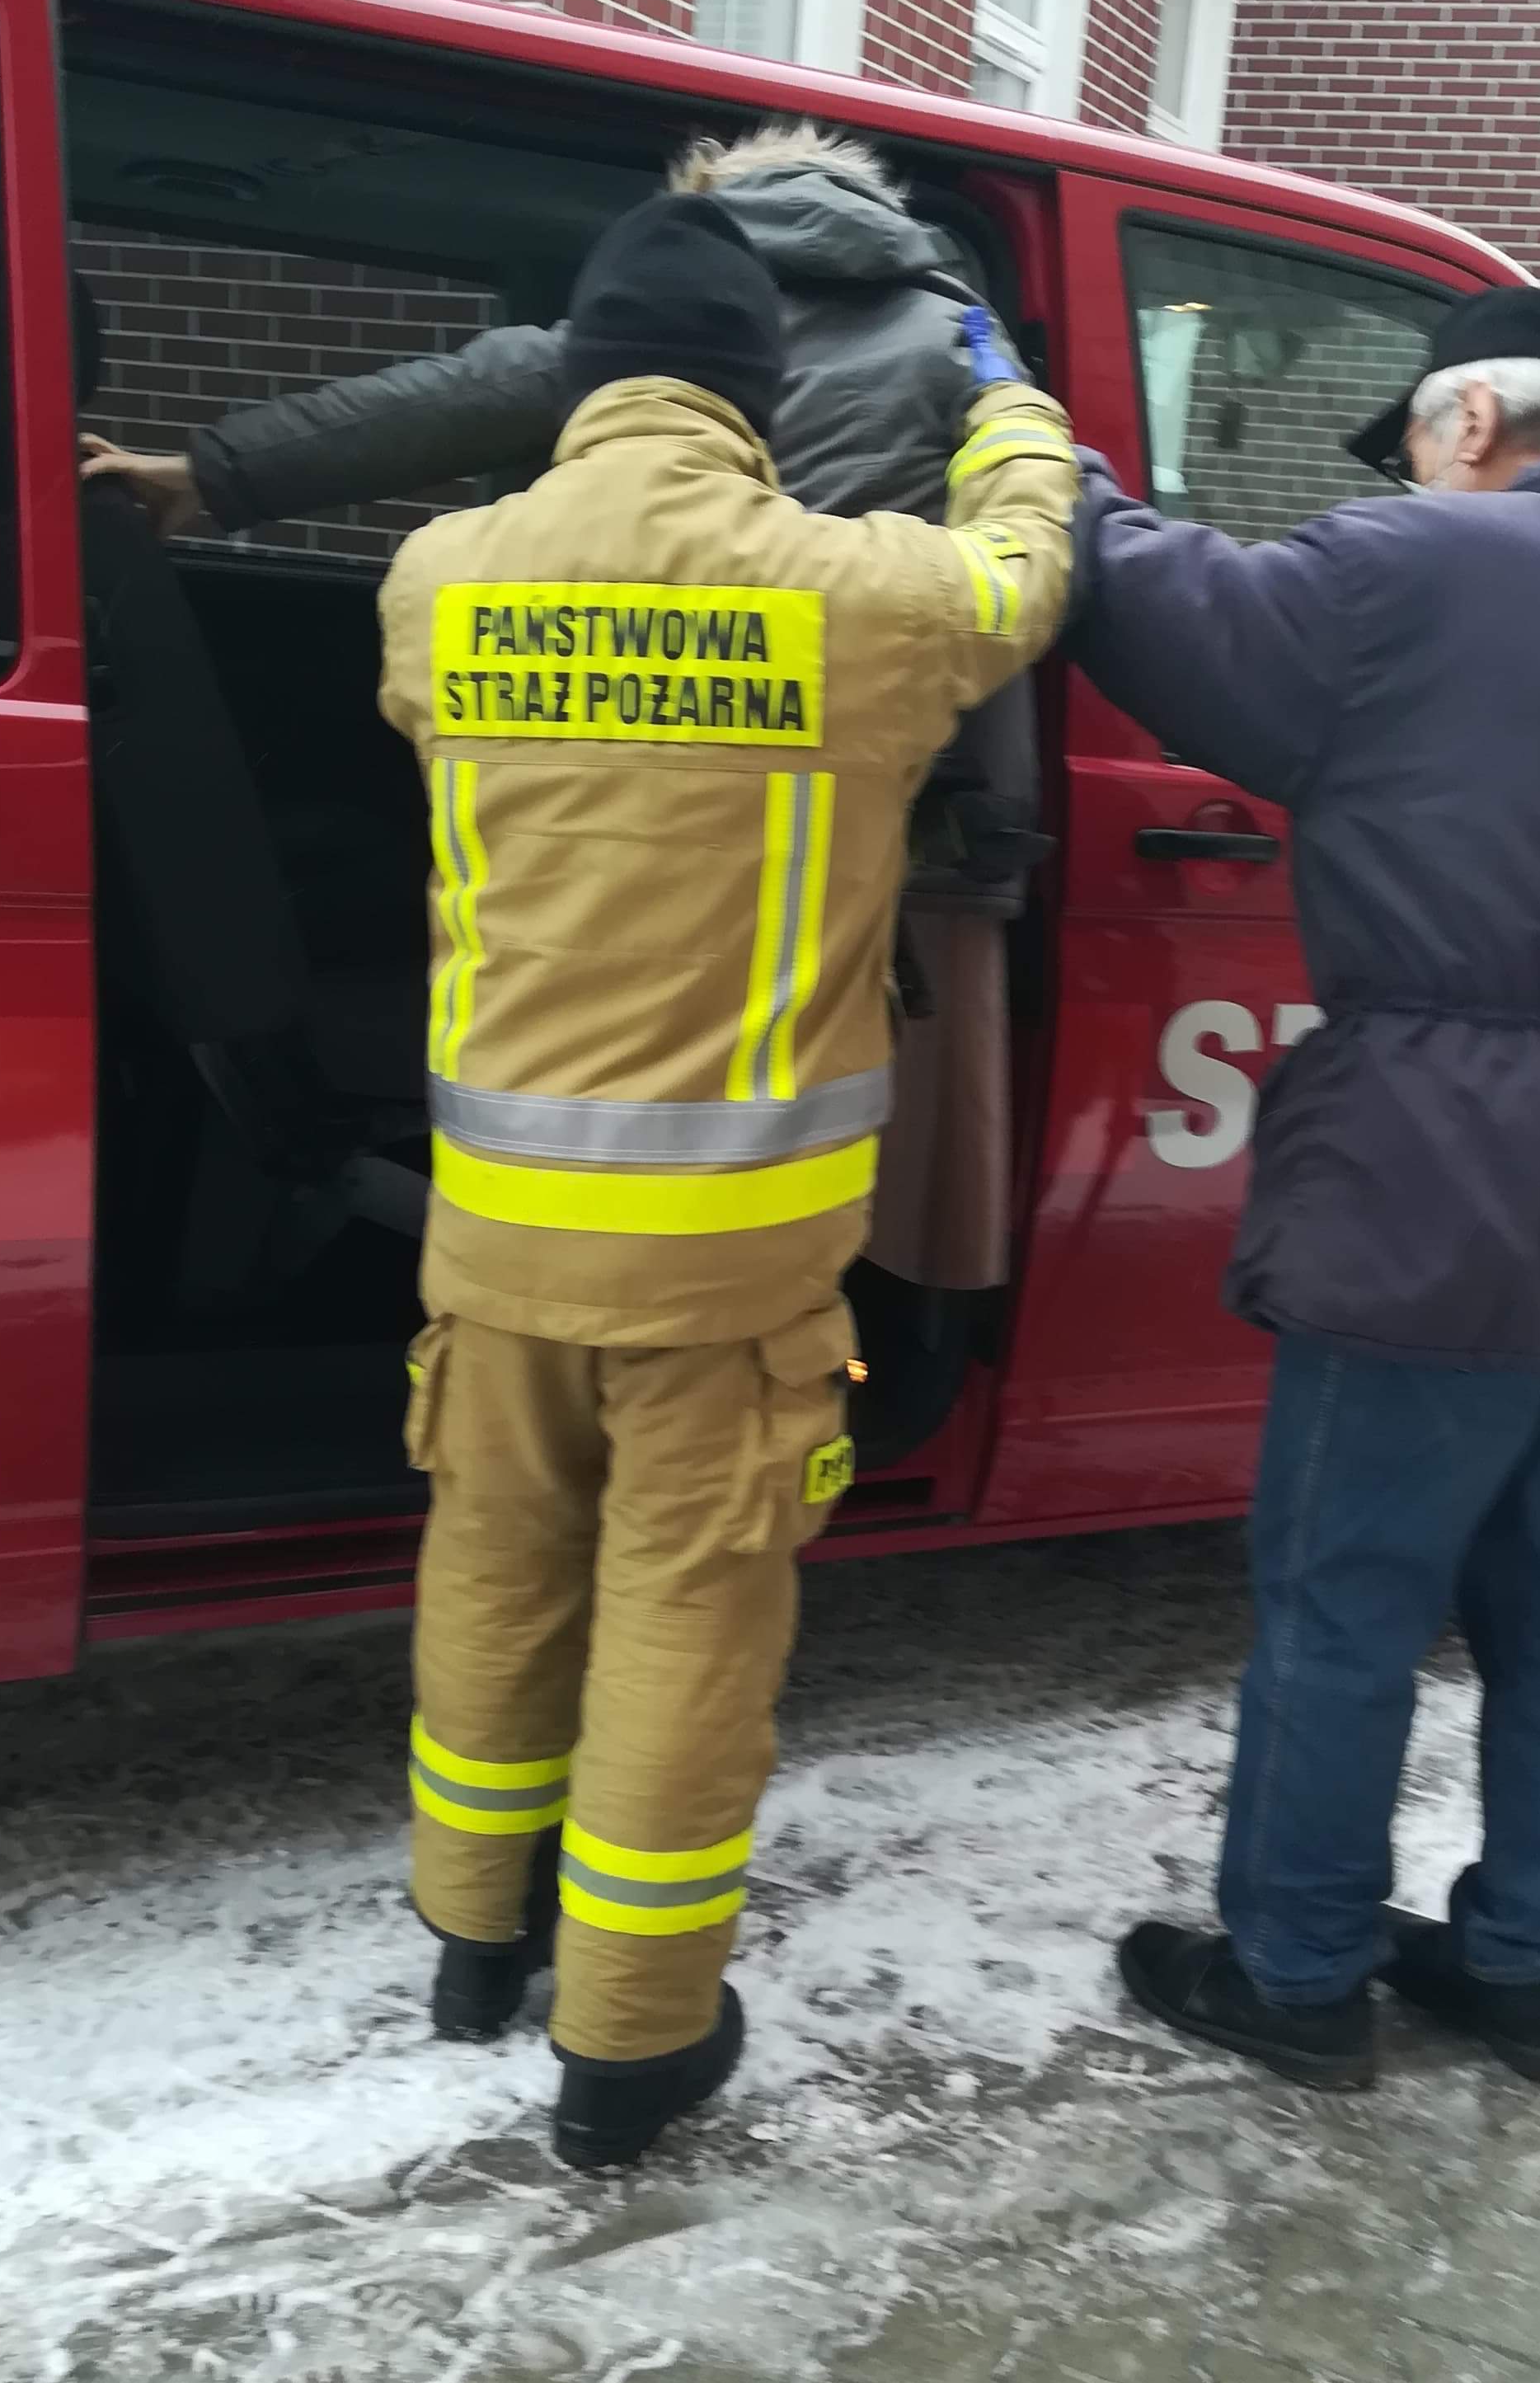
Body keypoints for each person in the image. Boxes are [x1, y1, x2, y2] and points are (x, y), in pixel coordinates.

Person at [379, 188, 1078, 2169]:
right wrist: (1004, 403)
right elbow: (1029, 573)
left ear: (584, 382)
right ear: (759, 395)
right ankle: (632, 2044)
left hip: (497, 1229)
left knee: (497, 1568)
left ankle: (471, 1940)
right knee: (687, 1619)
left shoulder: (439, 581)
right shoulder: (860, 594)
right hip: (736, 1256)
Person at [1068, 285, 1540, 2093]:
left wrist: (1051, 460)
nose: (1410, 471)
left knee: (1349, 1594)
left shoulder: (1419, 571)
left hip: (1441, 1161)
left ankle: (1301, 1973)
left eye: (1412, 437)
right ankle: (1519, 1965)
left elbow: (1162, 605)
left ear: (1471, 416)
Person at [82, 120, 1043, 1291]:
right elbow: (1020, 571)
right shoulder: (954, 338)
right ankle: (856, 1300)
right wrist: (1023, 417)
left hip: (605, 829)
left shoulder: (506, 496)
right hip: (833, 771)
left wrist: (211, 477)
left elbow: (448, 396)